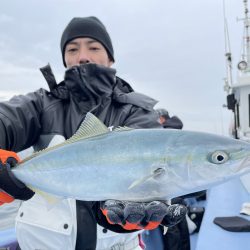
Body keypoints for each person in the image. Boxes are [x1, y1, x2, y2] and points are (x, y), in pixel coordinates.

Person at [0, 17, 186, 250]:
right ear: (65, 59)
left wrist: (124, 215)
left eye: (94, 47)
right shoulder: (41, 105)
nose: (83, 56)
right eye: (72, 49)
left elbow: (149, 171)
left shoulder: (135, 111)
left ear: (111, 58)